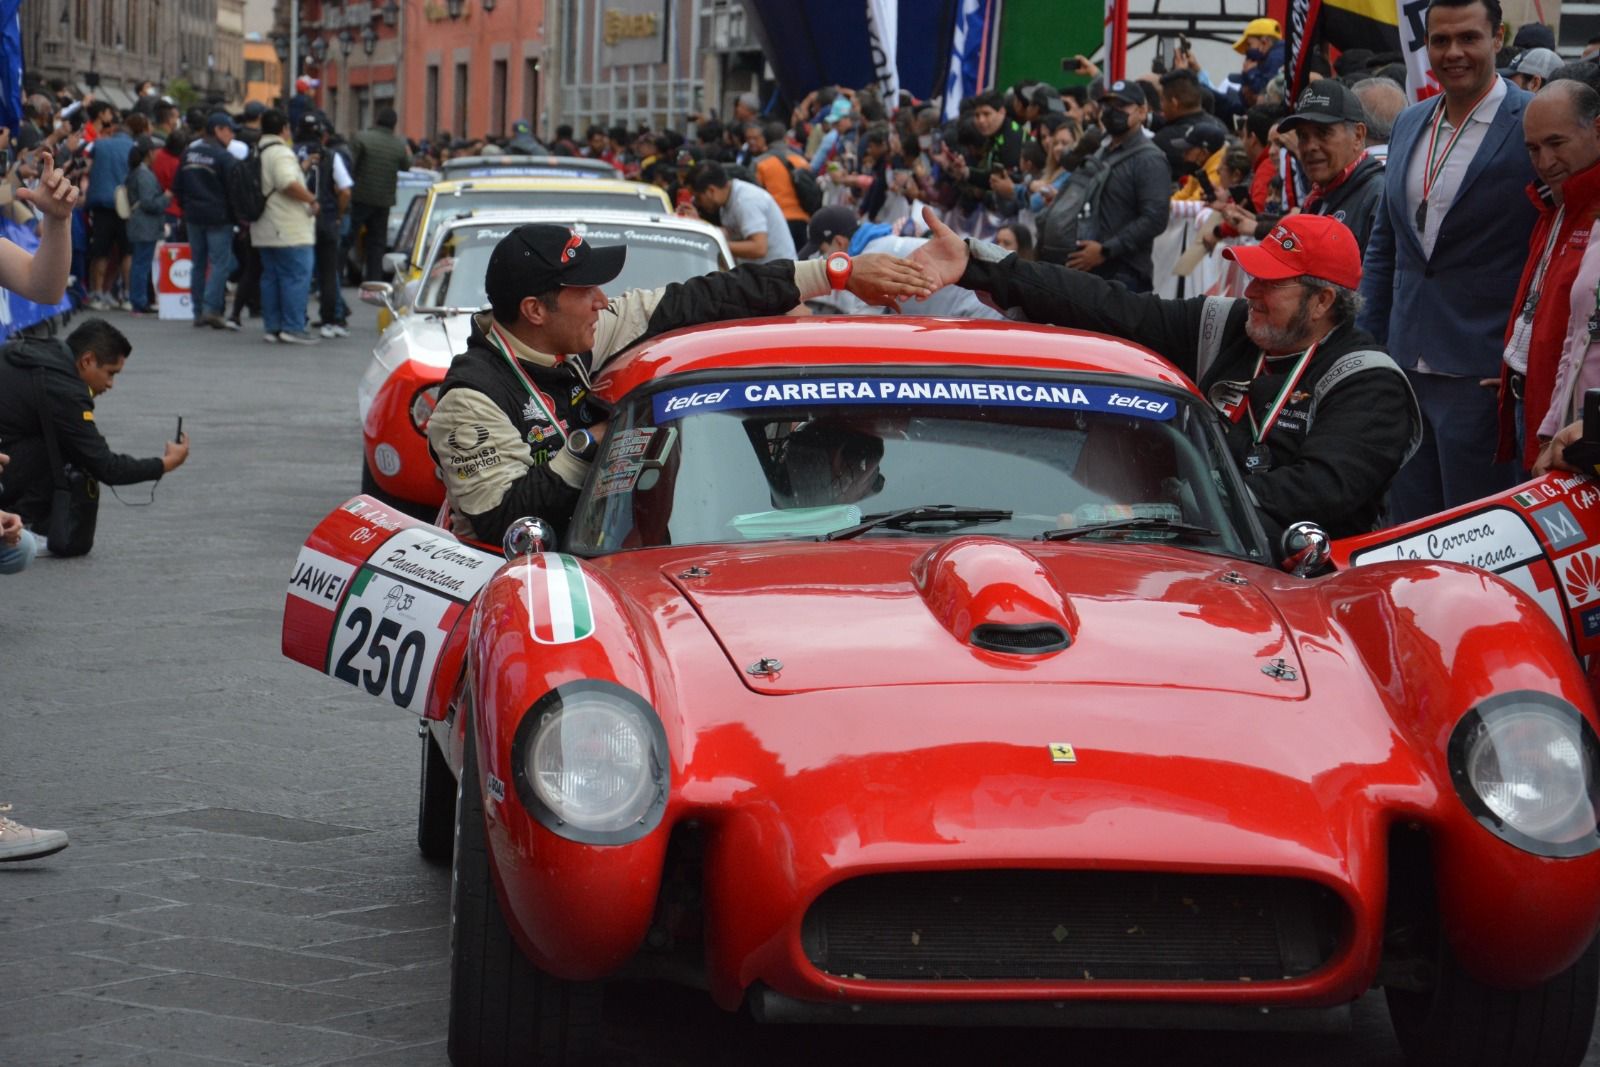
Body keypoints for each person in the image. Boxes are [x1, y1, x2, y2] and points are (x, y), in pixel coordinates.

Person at [909, 208, 1420, 546]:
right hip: (1201, 542)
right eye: (1253, 276)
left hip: (1305, 577)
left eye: (1271, 283)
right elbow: (1109, 308)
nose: (1252, 291)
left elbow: (1321, 492)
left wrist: (1185, 502)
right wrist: (981, 266)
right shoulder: (1227, 326)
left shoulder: (1369, 381)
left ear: (1323, 300)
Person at [424, 223, 935, 544]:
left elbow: (705, 297)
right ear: (535, 310)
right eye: (586, 290)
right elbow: (502, 521)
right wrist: (598, 443)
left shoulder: (585, 336)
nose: (604, 300)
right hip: (515, 587)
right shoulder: (471, 399)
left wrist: (834, 273)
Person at [1358, 0, 1537, 522]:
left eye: (1468, 38)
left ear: (1497, 38)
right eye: (1440, 41)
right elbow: (1386, 245)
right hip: (1405, 365)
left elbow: (1549, 247)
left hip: (1483, 375)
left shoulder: (1531, 122)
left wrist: (1519, 359)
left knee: (1477, 538)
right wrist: (1370, 348)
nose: (1453, 53)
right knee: (1410, 531)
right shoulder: (1412, 122)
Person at [0, 318, 191, 532]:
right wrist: (165, 463)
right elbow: (106, 467)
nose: (110, 384)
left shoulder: (40, 353)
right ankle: (21, 526)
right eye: (111, 373)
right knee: (66, 448)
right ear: (87, 360)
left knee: (59, 439)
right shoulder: (64, 389)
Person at [1498, 81, 1600, 472]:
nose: (1544, 160)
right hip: (1539, 410)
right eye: (1533, 148)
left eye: (1556, 143)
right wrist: (1515, 366)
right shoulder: (1554, 199)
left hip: (1575, 429)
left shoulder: (1584, 206)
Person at [1069, 79, 1170, 291]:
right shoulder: (1101, 151)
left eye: (1121, 105)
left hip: (1124, 275)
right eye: (1108, 105)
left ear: (1142, 112)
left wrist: (1105, 250)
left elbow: (1155, 218)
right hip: (1088, 271)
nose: (1112, 111)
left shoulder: (1150, 159)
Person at [1280, 81, 1385, 252]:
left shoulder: (1378, 198)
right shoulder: (1316, 198)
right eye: (1302, 136)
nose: (1310, 146)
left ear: (1358, 136)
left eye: (1323, 133)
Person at [251, 109, 319, 345]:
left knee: (271, 277)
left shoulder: (257, 150)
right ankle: (292, 326)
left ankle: (273, 326)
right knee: (296, 277)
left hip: (264, 226)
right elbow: (286, 182)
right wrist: (311, 199)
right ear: (284, 129)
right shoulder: (280, 152)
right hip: (288, 227)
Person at [174, 113, 237, 329]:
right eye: (229, 129)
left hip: (193, 215)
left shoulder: (189, 153)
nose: (232, 134)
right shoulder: (224, 156)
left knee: (198, 264)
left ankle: (198, 310)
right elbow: (233, 189)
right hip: (219, 217)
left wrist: (186, 207)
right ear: (218, 129)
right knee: (219, 263)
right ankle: (211, 309)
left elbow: (178, 186)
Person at [348, 107, 412, 282]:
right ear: (394, 124)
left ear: (376, 120)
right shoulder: (398, 144)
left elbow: (350, 165)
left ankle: (338, 274)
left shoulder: (361, 138)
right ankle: (374, 280)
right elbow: (407, 166)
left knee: (348, 238)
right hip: (384, 201)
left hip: (360, 198)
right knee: (377, 244)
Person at [689, 161, 798, 263]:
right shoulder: (727, 200)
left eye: (698, 198)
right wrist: (698, 224)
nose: (698, 203)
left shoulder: (746, 201)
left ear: (711, 191)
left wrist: (715, 245)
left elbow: (759, 248)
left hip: (779, 276)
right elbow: (730, 234)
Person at [84, 104, 133, 310]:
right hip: (126, 205)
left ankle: (96, 294)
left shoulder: (99, 145)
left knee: (100, 252)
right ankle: (127, 295)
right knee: (127, 252)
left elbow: (86, 165)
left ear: (113, 131)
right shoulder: (134, 147)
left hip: (101, 203)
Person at [123, 144, 169, 315]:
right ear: (149, 153)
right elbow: (149, 202)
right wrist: (166, 198)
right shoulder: (144, 175)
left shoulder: (136, 173)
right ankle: (139, 301)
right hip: (145, 225)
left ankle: (139, 300)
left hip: (138, 224)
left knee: (139, 263)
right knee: (141, 264)